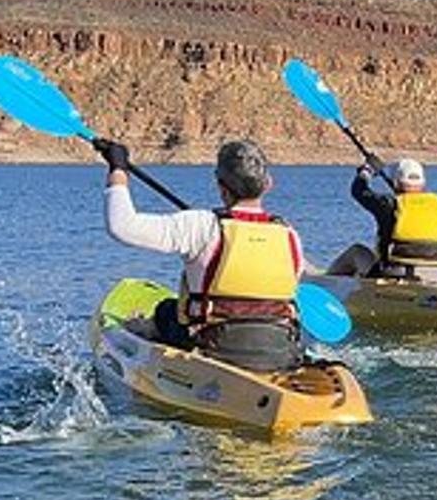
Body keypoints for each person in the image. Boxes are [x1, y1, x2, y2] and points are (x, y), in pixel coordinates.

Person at [96, 137, 309, 373]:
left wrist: (118, 170)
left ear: (220, 187)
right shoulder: (290, 235)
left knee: (166, 311)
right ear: (268, 184)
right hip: (278, 348)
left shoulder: (199, 225)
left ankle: (145, 329)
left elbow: (122, 227)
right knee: (170, 309)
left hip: (212, 346)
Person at [326, 158, 437, 283]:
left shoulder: (389, 204)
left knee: (356, 252)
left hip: (392, 275)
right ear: (423, 183)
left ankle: (325, 286)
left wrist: (367, 171)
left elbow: (359, 191)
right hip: (436, 277)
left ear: (396, 183)